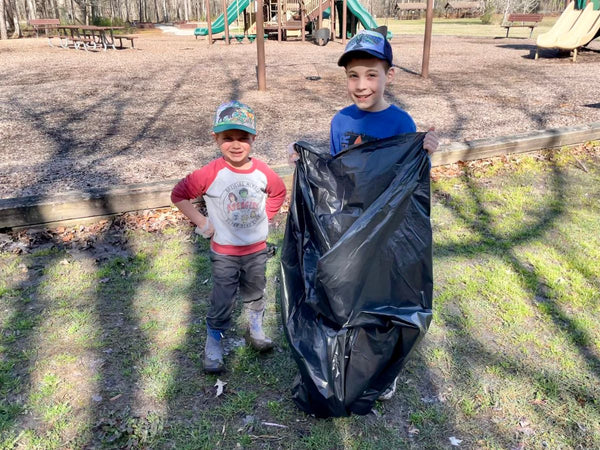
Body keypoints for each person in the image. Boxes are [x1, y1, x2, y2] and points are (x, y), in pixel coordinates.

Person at [288, 27, 439, 400]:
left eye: (371, 74)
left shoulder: (400, 123)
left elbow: (408, 178)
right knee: (348, 293)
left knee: (384, 297)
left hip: (386, 230)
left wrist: (428, 151)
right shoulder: (341, 121)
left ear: (389, 74)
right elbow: (339, 172)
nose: (362, 85)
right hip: (348, 225)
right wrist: (306, 163)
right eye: (353, 75)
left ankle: (383, 371)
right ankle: (352, 353)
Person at [171, 101, 286, 374]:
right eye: (227, 138)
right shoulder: (211, 173)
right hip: (225, 253)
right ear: (215, 138)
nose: (236, 145)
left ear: (253, 139)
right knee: (223, 299)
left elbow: (279, 191)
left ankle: (255, 329)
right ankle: (214, 340)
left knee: (256, 291)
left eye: (243, 138)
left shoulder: (262, 171)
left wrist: (265, 217)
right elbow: (179, 195)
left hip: (256, 250)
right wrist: (202, 222)